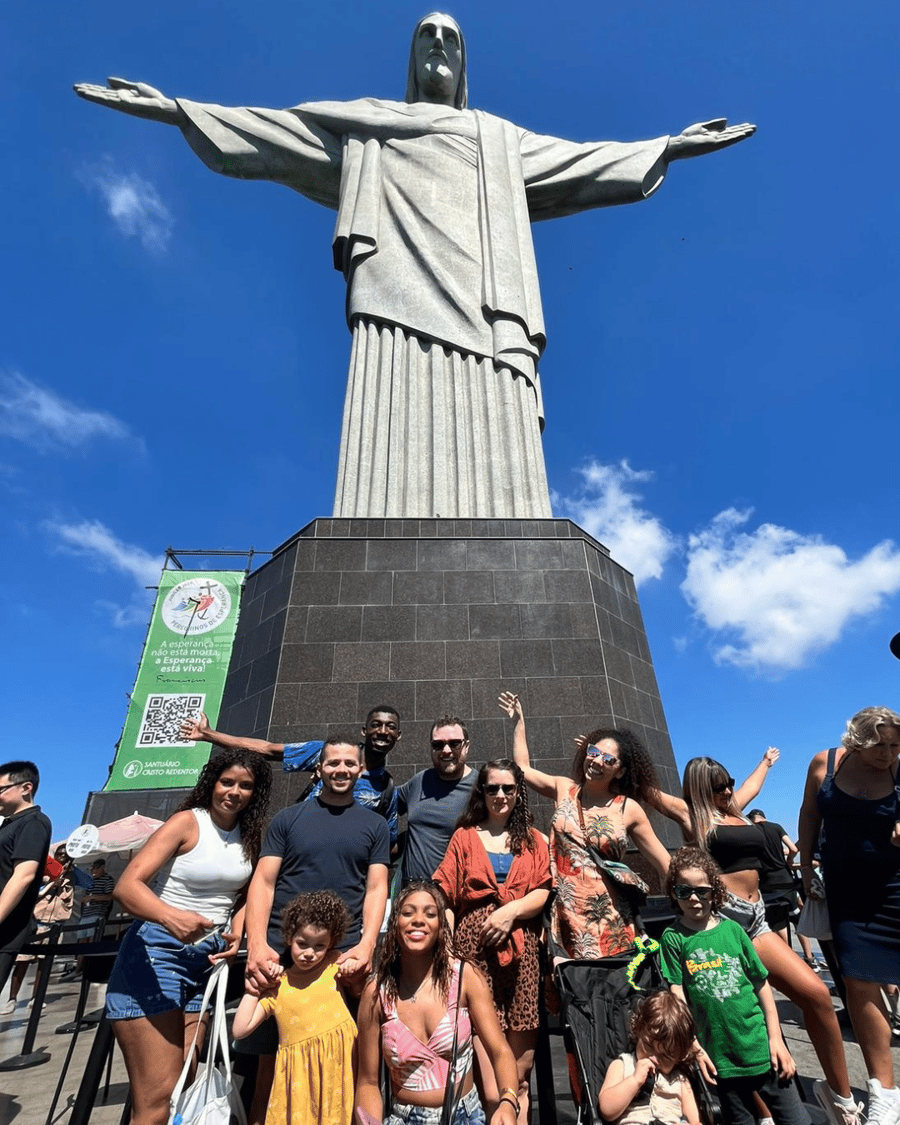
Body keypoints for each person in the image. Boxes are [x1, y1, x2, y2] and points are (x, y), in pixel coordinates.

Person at [74, 15, 755, 522]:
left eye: (450, 38)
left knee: (501, 440)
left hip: (490, 309)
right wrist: (172, 109)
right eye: (426, 34)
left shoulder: (497, 138)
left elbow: (584, 161)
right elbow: (270, 135)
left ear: (463, 63)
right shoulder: (369, 127)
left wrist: (666, 145)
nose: (437, 43)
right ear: (411, 56)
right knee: (383, 436)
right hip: (394, 302)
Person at [647, 753, 862, 1125]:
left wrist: (766, 761)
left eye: (728, 782)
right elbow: (646, 790)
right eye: (718, 786)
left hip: (757, 918)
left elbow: (752, 785)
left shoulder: (735, 807)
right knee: (736, 1013)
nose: (728, 790)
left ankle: (840, 1097)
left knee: (816, 996)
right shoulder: (693, 816)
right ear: (701, 789)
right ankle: (762, 1109)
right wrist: (612, 757)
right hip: (723, 922)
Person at [104, 747, 272, 1125]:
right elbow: (127, 887)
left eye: (245, 786)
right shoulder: (185, 822)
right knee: (157, 1097)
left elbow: (248, 893)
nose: (234, 791)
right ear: (211, 783)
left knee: (184, 1079)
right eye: (226, 781)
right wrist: (171, 916)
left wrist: (237, 930)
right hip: (158, 951)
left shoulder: (251, 835)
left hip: (206, 963)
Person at [242, 737, 390, 1125]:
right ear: (319, 769)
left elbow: (377, 888)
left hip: (343, 963)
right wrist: (256, 944)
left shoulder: (375, 825)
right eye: (333, 763)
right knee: (269, 1070)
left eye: (348, 764)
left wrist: (368, 946)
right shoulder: (287, 819)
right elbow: (264, 882)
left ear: (360, 770)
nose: (341, 769)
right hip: (281, 958)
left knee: (350, 1062)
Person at [499, 692, 671, 960]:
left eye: (608, 759)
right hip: (565, 919)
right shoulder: (563, 788)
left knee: (619, 993)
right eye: (594, 753)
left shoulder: (627, 808)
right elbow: (522, 768)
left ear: (621, 771)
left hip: (614, 923)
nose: (597, 762)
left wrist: (693, 903)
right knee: (572, 994)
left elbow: (664, 863)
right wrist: (519, 722)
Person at [434, 759, 551, 1124]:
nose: (500, 795)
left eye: (508, 788)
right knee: (488, 1082)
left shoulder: (534, 840)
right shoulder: (465, 837)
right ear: (481, 793)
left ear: (519, 792)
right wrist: (450, 950)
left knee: (520, 1075)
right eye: (492, 788)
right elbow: (446, 896)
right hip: (474, 957)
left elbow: (543, 890)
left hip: (523, 958)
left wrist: (508, 912)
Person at [798, 706, 900, 1125]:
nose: (889, 754)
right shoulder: (825, 762)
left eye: (896, 745)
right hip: (846, 891)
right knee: (858, 982)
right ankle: (885, 1094)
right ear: (856, 741)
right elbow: (809, 813)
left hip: (895, 886)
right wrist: (805, 866)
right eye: (880, 744)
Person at [659, 848, 807, 1125]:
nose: (693, 898)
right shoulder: (673, 938)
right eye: (683, 891)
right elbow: (677, 994)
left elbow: (761, 985)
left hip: (762, 1050)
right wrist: (692, 1045)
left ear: (714, 892)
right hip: (718, 1059)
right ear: (673, 893)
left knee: (796, 1119)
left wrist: (776, 1039)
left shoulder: (734, 931)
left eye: (701, 891)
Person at [356, 880, 520, 1125]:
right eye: (407, 913)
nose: (418, 920)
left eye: (430, 914)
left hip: (465, 1116)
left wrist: (508, 1101)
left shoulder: (466, 978)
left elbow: (500, 1051)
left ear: (441, 926)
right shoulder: (377, 992)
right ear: (394, 924)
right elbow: (368, 1081)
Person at [180, 704, 402, 848]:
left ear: (398, 736)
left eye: (390, 727)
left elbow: (387, 844)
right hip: (295, 852)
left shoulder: (386, 788)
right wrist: (209, 735)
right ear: (364, 730)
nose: (383, 731)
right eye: (376, 725)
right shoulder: (326, 751)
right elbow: (268, 750)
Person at [233, 891, 357, 1125]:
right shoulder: (278, 986)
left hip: (337, 1075)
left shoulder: (335, 964)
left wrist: (352, 965)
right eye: (302, 944)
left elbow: (360, 976)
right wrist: (254, 989)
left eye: (320, 946)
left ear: (331, 944)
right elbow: (240, 1030)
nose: (310, 953)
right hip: (300, 1082)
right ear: (289, 937)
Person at [597, 990, 701, 1125]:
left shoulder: (680, 1080)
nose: (654, 1059)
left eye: (666, 1056)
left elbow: (695, 1121)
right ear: (638, 1030)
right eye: (648, 1046)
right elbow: (606, 1110)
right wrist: (634, 1080)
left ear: (679, 1056)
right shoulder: (623, 1065)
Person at [398, 715, 477, 885]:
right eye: (438, 745)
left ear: (466, 746)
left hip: (454, 897)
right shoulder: (420, 781)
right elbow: (383, 804)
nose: (446, 750)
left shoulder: (482, 788)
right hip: (410, 894)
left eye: (454, 743)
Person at [0, 760, 51, 1000]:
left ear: (25, 788)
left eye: (0, 790)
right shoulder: (9, 825)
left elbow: (24, 876)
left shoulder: (33, 823)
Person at [5, 844, 75, 1014]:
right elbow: (36, 893)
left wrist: (69, 876)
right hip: (36, 922)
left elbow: (85, 885)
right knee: (22, 961)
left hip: (54, 925)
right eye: (60, 855)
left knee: (45, 964)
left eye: (66, 856)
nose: (62, 858)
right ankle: (12, 999)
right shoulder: (42, 872)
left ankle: (37, 997)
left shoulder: (72, 876)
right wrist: (52, 882)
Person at [745, 809, 802, 947]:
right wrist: (789, 860)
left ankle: (787, 955)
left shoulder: (751, 831)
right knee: (797, 918)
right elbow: (794, 849)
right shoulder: (776, 827)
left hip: (767, 884)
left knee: (777, 922)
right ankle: (809, 957)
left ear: (752, 819)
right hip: (786, 880)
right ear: (764, 817)